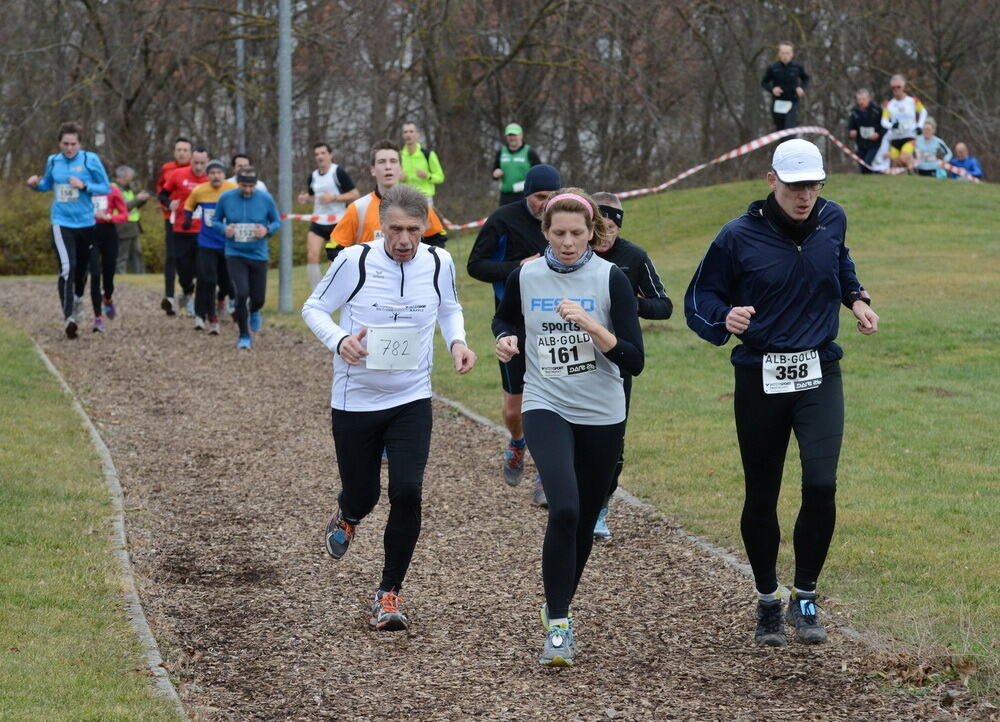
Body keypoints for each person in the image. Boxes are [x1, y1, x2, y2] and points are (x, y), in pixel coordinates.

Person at [683, 139, 879, 647]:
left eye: (813, 184)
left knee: (821, 484)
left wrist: (855, 298)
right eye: (795, 186)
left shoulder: (833, 219)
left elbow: (839, 264)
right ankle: (768, 600)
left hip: (818, 370)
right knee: (762, 492)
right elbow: (700, 297)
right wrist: (724, 317)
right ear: (772, 180)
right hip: (760, 376)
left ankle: (806, 595)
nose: (805, 195)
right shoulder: (736, 236)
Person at [301, 184, 476, 632]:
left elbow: (450, 307)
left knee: (407, 491)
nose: (404, 240)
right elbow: (314, 308)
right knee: (365, 493)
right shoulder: (354, 260)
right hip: (355, 399)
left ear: (425, 228)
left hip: (410, 398)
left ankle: (388, 592)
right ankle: (348, 513)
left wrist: (457, 342)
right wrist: (340, 341)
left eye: (413, 230)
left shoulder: (439, 261)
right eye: (395, 229)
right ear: (381, 226)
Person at [492, 188, 644, 666]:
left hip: (602, 409)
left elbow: (634, 360)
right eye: (558, 233)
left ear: (591, 232)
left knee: (581, 521)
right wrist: (506, 339)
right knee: (564, 508)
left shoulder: (610, 278)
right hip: (546, 401)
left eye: (577, 233)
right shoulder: (527, 274)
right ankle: (559, 622)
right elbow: (503, 317)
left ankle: (557, 603)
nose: (568, 242)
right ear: (546, 232)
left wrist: (592, 327)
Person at [467, 164, 562, 507]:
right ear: (527, 195)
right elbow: (475, 265)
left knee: (552, 403)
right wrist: (519, 267)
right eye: (540, 197)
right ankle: (517, 441)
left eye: (552, 197)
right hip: (513, 325)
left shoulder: (565, 220)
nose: (546, 203)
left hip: (555, 325)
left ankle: (545, 475)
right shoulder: (503, 219)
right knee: (514, 409)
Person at [590, 192, 672, 539]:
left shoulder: (634, 257)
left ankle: (599, 508)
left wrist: (629, 306)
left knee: (612, 439)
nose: (605, 235)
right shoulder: (574, 254)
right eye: (599, 227)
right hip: (573, 357)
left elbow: (664, 305)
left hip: (619, 360)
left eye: (611, 228)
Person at [26, 121, 111, 338]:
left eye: (73, 144)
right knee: (67, 267)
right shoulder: (53, 161)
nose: (70, 148)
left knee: (81, 272)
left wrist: (85, 186)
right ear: (59, 143)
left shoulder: (89, 160)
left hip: (86, 224)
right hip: (61, 222)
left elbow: (106, 187)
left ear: (79, 143)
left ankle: (78, 301)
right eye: (65, 143)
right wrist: (36, 184)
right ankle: (69, 318)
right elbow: (47, 185)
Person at [328, 140, 447, 253]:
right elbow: (334, 247)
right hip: (372, 274)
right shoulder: (358, 208)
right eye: (381, 162)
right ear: (373, 170)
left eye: (393, 161)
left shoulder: (418, 204)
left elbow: (437, 237)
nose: (388, 166)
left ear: (401, 168)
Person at [211, 166, 281, 349]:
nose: (248, 190)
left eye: (251, 186)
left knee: (258, 298)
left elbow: (276, 221)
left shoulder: (265, 198)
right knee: (241, 293)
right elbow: (216, 220)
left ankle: (255, 310)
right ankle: (244, 335)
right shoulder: (226, 198)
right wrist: (224, 230)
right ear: (238, 183)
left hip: (258, 254)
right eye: (244, 186)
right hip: (235, 253)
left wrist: (266, 230)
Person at [185, 159, 237, 334]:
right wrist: (186, 219)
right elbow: (189, 204)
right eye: (212, 173)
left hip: (227, 244)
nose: (216, 176)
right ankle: (205, 316)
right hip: (206, 243)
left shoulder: (232, 189)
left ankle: (227, 304)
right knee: (207, 280)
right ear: (207, 176)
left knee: (226, 282)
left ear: (224, 174)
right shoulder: (200, 190)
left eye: (219, 173)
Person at [296, 143, 359, 287]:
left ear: (330, 155)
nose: (320, 156)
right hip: (318, 221)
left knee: (335, 261)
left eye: (323, 153)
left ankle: (337, 290)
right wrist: (305, 198)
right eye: (317, 154)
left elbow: (355, 194)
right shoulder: (313, 176)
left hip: (338, 223)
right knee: (312, 256)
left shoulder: (338, 172)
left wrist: (334, 198)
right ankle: (316, 293)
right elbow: (314, 197)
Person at [159, 146, 209, 317]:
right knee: (184, 271)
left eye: (202, 163)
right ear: (191, 161)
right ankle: (187, 292)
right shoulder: (178, 174)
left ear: (207, 163)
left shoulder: (212, 178)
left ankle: (198, 307)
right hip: (181, 230)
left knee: (202, 270)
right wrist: (168, 203)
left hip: (204, 231)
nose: (199, 167)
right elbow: (162, 195)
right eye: (196, 163)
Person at [155, 138, 192, 314]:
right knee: (171, 256)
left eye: (185, 150)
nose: (182, 153)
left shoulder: (197, 169)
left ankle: (188, 294)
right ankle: (169, 297)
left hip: (193, 222)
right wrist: (167, 204)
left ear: (190, 153)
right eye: (179, 149)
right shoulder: (167, 169)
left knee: (191, 260)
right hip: (171, 218)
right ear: (174, 152)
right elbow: (160, 191)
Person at [87, 178, 129, 332]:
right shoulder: (85, 189)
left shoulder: (113, 190)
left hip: (109, 234)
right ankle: (98, 318)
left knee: (109, 274)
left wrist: (110, 217)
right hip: (90, 233)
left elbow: (125, 215)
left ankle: (108, 298)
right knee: (95, 274)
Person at [760, 42, 809, 135]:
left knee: (790, 130)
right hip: (778, 103)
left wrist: (802, 88)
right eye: (783, 53)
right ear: (779, 54)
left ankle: (791, 148)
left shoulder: (797, 67)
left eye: (787, 53)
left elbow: (805, 79)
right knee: (780, 131)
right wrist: (772, 89)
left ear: (792, 54)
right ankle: (782, 148)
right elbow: (764, 82)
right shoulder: (773, 67)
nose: (785, 56)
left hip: (792, 102)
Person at [881, 75, 927, 172]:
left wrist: (919, 126)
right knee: (896, 165)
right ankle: (910, 175)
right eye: (893, 88)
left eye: (899, 87)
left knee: (903, 158)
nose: (896, 89)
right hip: (895, 138)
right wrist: (892, 125)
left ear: (904, 87)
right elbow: (883, 121)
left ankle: (913, 168)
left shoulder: (912, 101)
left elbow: (923, 112)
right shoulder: (888, 104)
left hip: (909, 136)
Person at [112, 166, 150, 274]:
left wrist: (142, 200)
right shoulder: (115, 188)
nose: (131, 179)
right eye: (130, 177)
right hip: (122, 227)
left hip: (132, 226)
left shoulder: (127, 189)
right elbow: (123, 207)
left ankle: (140, 275)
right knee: (122, 255)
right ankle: (120, 276)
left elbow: (133, 207)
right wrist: (138, 199)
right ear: (123, 177)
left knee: (137, 253)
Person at [493, 123, 542, 207]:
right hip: (505, 195)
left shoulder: (529, 152)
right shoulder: (501, 151)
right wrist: (495, 173)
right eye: (509, 135)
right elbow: (495, 170)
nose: (512, 138)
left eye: (514, 135)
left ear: (521, 135)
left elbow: (539, 172)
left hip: (523, 195)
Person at [399, 122, 445, 206]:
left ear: (417, 135)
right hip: (404, 199)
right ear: (402, 135)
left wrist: (427, 176)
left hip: (424, 199)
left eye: (411, 131)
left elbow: (440, 177)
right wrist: (398, 178)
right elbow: (392, 179)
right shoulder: (398, 156)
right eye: (405, 132)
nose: (408, 135)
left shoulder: (428, 154)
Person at [847, 89, 882, 174]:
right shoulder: (854, 112)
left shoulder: (877, 110)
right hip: (861, 144)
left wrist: (878, 134)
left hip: (874, 144)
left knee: (867, 163)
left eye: (863, 99)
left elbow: (883, 126)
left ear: (868, 99)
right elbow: (851, 126)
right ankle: (868, 182)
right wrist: (851, 132)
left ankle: (876, 176)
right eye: (859, 99)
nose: (861, 102)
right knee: (862, 166)